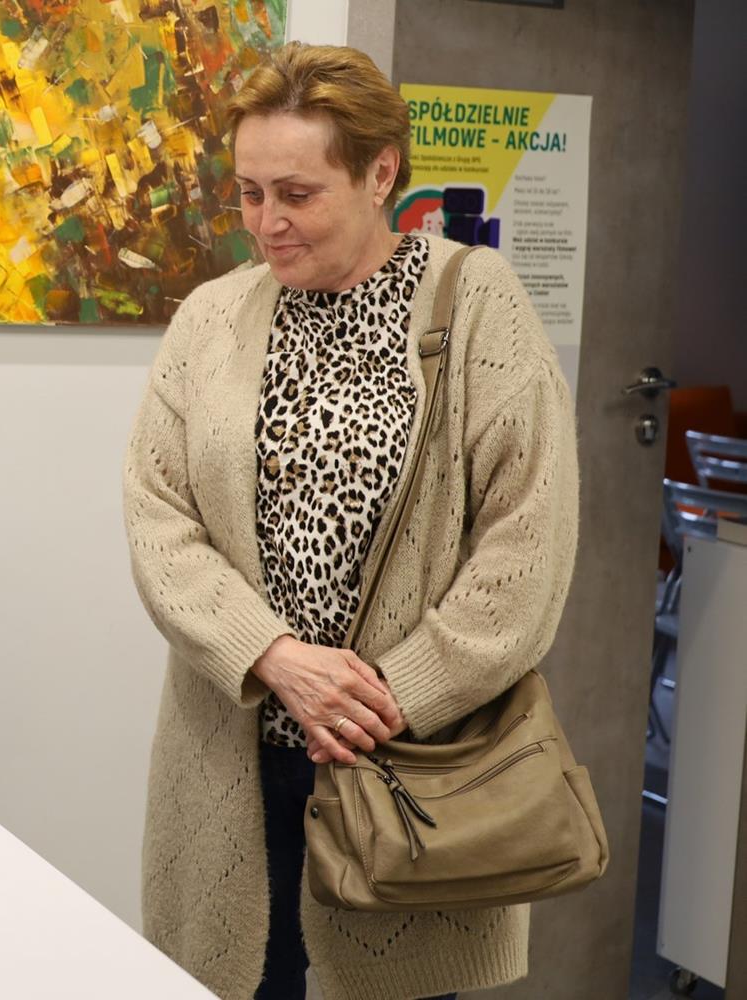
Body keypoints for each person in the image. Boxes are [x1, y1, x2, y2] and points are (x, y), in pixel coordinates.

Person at [123, 43, 578, 1000]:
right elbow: (159, 520)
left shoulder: (479, 305)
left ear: (379, 174)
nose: (267, 223)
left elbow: (525, 551)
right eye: (249, 194)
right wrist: (276, 659)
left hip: (408, 774)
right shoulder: (210, 318)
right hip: (232, 769)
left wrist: (382, 700)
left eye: (297, 193)